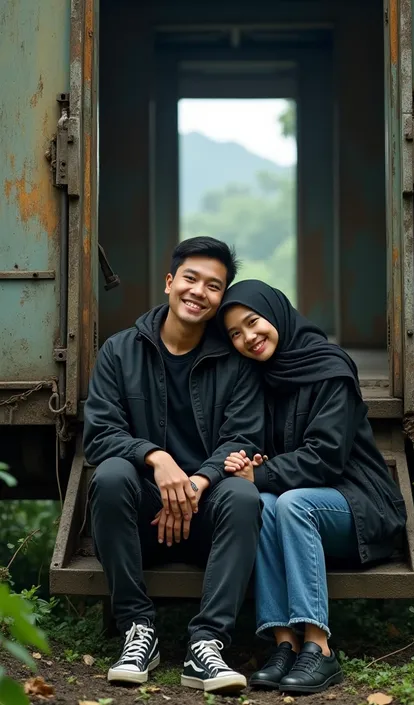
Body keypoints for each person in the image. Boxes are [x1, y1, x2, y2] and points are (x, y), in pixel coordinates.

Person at [83, 239, 265, 693]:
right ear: (170, 282)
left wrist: (198, 481)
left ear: (222, 297)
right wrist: (157, 458)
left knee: (243, 494)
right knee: (109, 475)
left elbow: (241, 438)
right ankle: (136, 629)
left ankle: (207, 645)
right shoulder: (120, 351)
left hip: (205, 513)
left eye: (214, 286)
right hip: (144, 515)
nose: (199, 292)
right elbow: (100, 434)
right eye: (190, 278)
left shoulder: (234, 360)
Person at [219, 280, 407, 695]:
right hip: (298, 505)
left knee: (289, 502)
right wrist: (250, 464)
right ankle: (284, 643)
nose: (248, 338)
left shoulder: (329, 367)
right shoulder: (260, 378)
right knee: (264, 502)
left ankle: (319, 648)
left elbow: (326, 456)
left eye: (253, 323)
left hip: (359, 504)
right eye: (235, 333)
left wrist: (265, 473)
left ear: (276, 313)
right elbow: (264, 454)